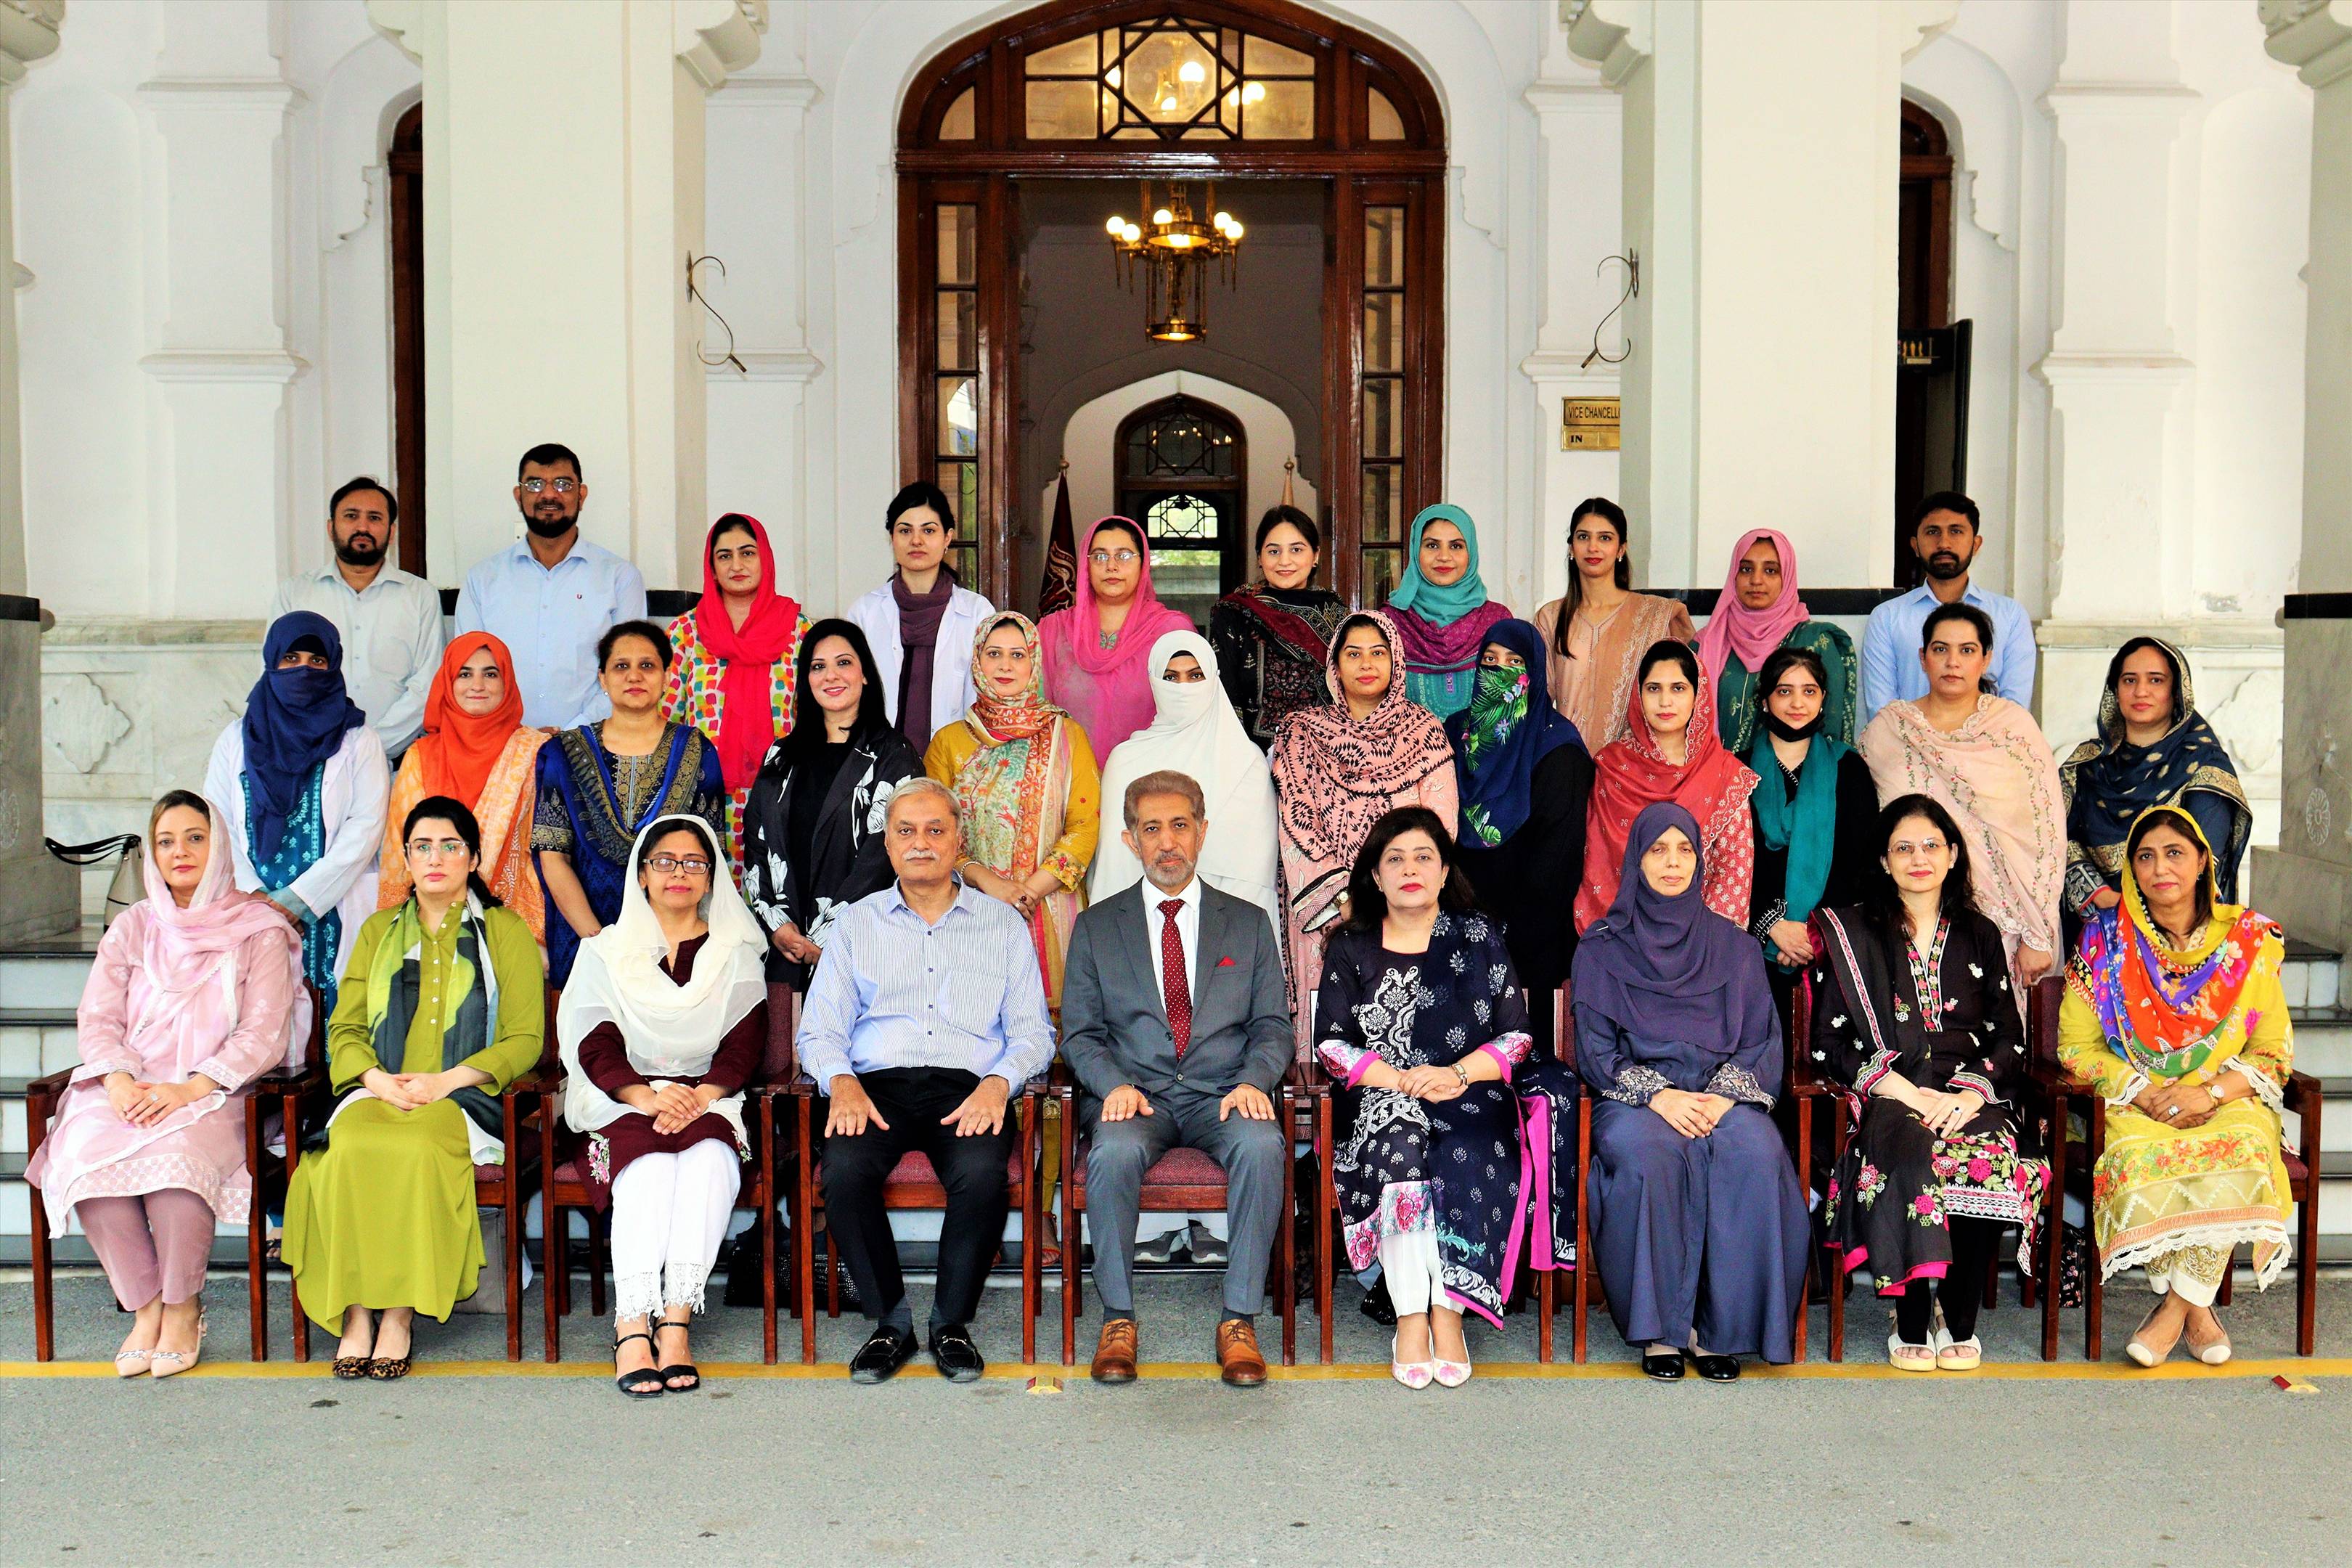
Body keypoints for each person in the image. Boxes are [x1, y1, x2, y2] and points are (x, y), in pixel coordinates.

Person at [25, 791, 302, 1379]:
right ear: (151, 852)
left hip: (218, 1091)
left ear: (219, 845)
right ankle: (146, 1306)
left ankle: (183, 1308)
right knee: (84, 1151)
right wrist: (120, 1081)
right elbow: (98, 1017)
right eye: (166, 841)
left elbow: (265, 1032)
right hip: (129, 1082)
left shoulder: (259, 929)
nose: (181, 852)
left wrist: (191, 1088)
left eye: (195, 838)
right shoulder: (134, 926)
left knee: (176, 1160)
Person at [799, 778, 1056, 1385]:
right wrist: (842, 1081)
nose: (921, 843)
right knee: (844, 1172)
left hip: (969, 1087)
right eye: (906, 832)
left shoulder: (1002, 926)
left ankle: (949, 1324)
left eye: (935, 830)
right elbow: (819, 1032)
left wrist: (1000, 1084)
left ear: (958, 840)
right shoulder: (856, 925)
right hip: (875, 1087)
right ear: (887, 845)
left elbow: (1033, 1032)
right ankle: (891, 1323)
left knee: (982, 1173)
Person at [281, 797, 546, 1378]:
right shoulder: (378, 932)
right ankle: (356, 1315)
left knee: (417, 1148)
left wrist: (446, 1081)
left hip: (464, 1098)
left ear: (474, 857)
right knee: (346, 1148)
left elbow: (526, 1038)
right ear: (405, 857)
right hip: (375, 1091)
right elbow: (345, 1029)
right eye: (422, 847)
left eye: (451, 846)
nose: (436, 858)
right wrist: (376, 1080)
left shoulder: (506, 932)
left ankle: (397, 1315)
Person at [1313, 807, 1578, 1388]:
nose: (1411, 869)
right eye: (1395, 859)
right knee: (1406, 1139)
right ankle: (1411, 1315)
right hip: (1382, 1096)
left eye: (1423, 857)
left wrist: (1456, 1075)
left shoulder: (1478, 937)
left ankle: (1448, 1312)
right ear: (1376, 877)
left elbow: (1516, 1034)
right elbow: (1330, 1044)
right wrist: (1398, 1078)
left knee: (1464, 1138)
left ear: (1443, 870)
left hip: (1468, 1092)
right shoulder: (1351, 946)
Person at [1059, 770, 1293, 1387]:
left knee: (1263, 1143)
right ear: (1130, 839)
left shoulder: (1246, 923)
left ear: (1203, 831)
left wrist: (1255, 1080)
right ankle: (1118, 1318)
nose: (1168, 842)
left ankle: (1238, 1318)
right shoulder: (1097, 926)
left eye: (1181, 826)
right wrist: (1112, 1085)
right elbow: (1080, 1034)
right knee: (1111, 1153)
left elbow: (1273, 1025)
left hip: (1225, 1094)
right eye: (1152, 828)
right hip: (1135, 1097)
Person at [1810, 795, 2050, 1371]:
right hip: (1892, 1089)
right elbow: (1829, 1043)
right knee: (1910, 1151)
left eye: (1930, 847)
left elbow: (2007, 1036)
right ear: (1885, 862)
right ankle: (1911, 1315)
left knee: (1984, 1153)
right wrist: (1899, 1090)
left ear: (1952, 856)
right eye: (1904, 848)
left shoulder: (1981, 933)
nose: (1918, 858)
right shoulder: (1854, 934)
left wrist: (1969, 1095)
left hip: (1971, 1091)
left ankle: (1958, 1318)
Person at [1573, 803, 1809, 1379]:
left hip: (1723, 1096)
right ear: (1636, 860)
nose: (1673, 862)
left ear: (1701, 860)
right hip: (1635, 1099)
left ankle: (1720, 1331)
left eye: (1684, 850)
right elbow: (1596, 1051)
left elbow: (1760, 1040)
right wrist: (1660, 1096)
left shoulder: (1736, 948)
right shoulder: (1601, 949)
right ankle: (1660, 1332)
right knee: (1651, 1154)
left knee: (1754, 1151)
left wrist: (1724, 1097)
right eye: (1658, 850)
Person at [2058, 805, 2295, 1368]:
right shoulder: (2103, 942)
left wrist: (2208, 1094)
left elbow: (2272, 1051)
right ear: (2131, 872)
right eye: (2145, 856)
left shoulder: (2249, 940)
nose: (2160, 867)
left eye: (2174, 853)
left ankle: (2173, 1311)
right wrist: (2142, 1090)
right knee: (2141, 1154)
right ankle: (2200, 1315)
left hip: (2225, 1094)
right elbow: (2076, 1046)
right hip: (2134, 1098)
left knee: (2239, 1150)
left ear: (2201, 864)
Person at [558, 816, 769, 1398]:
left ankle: (675, 1324)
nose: (680, 873)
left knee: (706, 1165)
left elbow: (744, 1041)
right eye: (666, 862)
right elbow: (593, 1038)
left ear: (711, 878)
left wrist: (700, 1097)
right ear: (643, 874)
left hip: (709, 1097)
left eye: (694, 863)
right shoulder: (606, 950)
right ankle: (632, 1323)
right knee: (649, 1171)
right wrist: (644, 1096)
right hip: (619, 1098)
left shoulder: (736, 951)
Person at [1267, 612, 1457, 1048]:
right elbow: (1296, 828)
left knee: (1408, 1032)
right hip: (1329, 917)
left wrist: (1397, 900)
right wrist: (1347, 902)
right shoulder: (1301, 734)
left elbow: (1440, 828)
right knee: (1331, 1037)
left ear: (1396, 662)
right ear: (1335, 665)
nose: (1366, 664)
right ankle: (1322, 1116)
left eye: (1378, 653)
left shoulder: (1424, 731)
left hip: (1408, 911)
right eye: (1353, 654)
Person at [1859, 603, 2064, 986]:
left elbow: (2046, 838)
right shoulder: (1889, 730)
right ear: (1923, 658)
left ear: (1986, 659)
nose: (1953, 661)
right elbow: (1866, 830)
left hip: (2003, 927)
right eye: (1940, 649)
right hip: (1908, 923)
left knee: (1993, 1033)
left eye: (1967, 650)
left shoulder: (2014, 731)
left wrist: (2039, 932)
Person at [205, 611, 390, 1005]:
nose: (303, 671)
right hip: (250, 911)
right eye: (291, 659)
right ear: (271, 662)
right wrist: (256, 898)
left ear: (333, 665)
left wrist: (297, 900)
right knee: (258, 1018)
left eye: (316, 661)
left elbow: (365, 831)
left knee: (336, 1024)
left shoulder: (359, 740)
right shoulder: (235, 739)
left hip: (334, 906)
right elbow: (216, 824)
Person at [533, 621, 727, 985]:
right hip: (586, 944)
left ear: (667, 677)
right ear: (603, 679)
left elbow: (710, 858)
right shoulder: (561, 754)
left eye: (647, 666)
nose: (634, 676)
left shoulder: (697, 751)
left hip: (675, 948)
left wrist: (672, 943)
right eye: (621, 666)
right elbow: (553, 857)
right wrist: (601, 943)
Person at [925, 611, 1101, 1005]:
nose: (1006, 665)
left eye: (1018, 655)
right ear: (977, 661)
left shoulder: (1067, 735)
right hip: (969, 907)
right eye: (994, 653)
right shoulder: (950, 742)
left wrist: (1027, 893)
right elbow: (933, 834)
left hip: (1052, 909)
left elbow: (1085, 826)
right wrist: (992, 885)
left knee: (1056, 1045)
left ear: (1034, 663)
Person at [740, 619, 922, 992]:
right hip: (786, 953)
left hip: (864, 951)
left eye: (844, 663)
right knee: (785, 1051)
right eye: (818, 666)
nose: (831, 676)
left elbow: (885, 859)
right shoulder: (781, 755)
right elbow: (757, 845)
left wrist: (825, 935)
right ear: (806, 679)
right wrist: (777, 925)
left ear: (865, 674)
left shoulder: (894, 757)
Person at [1444, 618, 1591, 1054]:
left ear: (1536, 673)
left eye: (1514, 662)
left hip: (1531, 947)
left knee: (1527, 1070)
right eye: (1489, 660)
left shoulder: (1559, 750)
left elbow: (1555, 873)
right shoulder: (1455, 735)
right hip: (1456, 933)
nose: (1499, 671)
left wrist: (1499, 940)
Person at [1090, 631, 1282, 938]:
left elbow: (1254, 879)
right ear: (1153, 681)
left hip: (1226, 937)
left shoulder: (1247, 762)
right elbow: (1113, 872)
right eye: (1171, 677)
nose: (1183, 688)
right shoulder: (1125, 761)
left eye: (1195, 676)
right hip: (1141, 933)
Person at [454, 442, 650, 728]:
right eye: (534, 484)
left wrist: (571, 735)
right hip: (499, 745)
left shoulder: (620, 578)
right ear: (518, 496)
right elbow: (469, 675)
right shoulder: (482, 580)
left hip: (596, 744)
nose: (548, 494)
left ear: (581, 495)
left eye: (562, 484)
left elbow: (627, 674)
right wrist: (517, 738)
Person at [2059, 636, 2251, 920]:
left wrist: (2141, 913)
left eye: (2156, 680)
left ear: (2176, 692)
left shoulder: (2202, 764)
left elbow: (2205, 863)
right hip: (2097, 929)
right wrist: (2101, 896)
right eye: (2129, 680)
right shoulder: (2086, 765)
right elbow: (2056, 841)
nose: (2141, 692)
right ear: (2114, 691)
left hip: (2177, 931)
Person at [1575, 640, 1758, 935]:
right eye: (1653, 688)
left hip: (1702, 947)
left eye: (1678, 688)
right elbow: (1599, 866)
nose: (1665, 701)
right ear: (1638, 694)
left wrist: (1692, 945)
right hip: (1623, 939)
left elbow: (1731, 876)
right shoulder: (1612, 769)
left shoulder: (1726, 775)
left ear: (1699, 695)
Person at [377, 632, 549, 942]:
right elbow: (399, 851)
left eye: (491, 674)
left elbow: (544, 850)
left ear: (507, 681)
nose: (478, 685)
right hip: (429, 927)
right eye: (465, 674)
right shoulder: (421, 755)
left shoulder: (537, 751)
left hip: (514, 928)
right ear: (448, 682)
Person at [661, 514, 808, 868]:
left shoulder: (798, 632)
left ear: (766, 560)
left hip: (782, 794)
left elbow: (813, 717)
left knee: (775, 900)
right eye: (724, 556)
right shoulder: (685, 633)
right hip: (702, 795)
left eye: (747, 553)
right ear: (711, 568)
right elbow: (665, 718)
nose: (737, 565)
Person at [268, 477, 444, 760]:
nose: (363, 527)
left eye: (374, 518)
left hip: (398, 763)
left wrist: (371, 748)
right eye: (351, 516)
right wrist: (324, 749)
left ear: (392, 530)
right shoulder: (295, 594)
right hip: (313, 759)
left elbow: (428, 684)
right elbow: (278, 678)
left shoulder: (420, 596)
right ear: (331, 527)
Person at [1744, 645, 1879, 1004]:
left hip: (1833, 944)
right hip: (1749, 945)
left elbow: (1859, 863)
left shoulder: (1849, 769)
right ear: (1764, 700)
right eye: (1784, 691)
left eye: (1809, 691)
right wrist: (1772, 925)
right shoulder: (1734, 771)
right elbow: (1731, 864)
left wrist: (1812, 932)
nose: (1797, 703)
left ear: (1823, 700)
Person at [1530, 497, 1696, 749]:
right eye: (1583, 537)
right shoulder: (1551, 617)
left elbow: (1678, 696)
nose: (1593, 547)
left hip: (1635, 769)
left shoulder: (1657, 615)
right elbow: (1538, 701)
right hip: (1566, 763)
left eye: (1605, 538)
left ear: (1621, 549)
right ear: (1571, 548)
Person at [1858, 491, 2035, 724]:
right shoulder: (1887, 617)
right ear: (1915, 545)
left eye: (1956, 531)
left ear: (1976, 544)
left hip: (1987, 754)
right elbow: (1882, 713)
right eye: (1932, 532)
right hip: (1908, 754)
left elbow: (2015, 712)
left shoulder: (2010, 616)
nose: (1944, 543)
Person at [847, 481, 995, 754]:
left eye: (929, 530)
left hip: (958, 761)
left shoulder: (977, 613)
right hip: (877, 760)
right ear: (891, 537)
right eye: (905, 531)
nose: (917, 541)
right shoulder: (864, 613)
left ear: (948, 538)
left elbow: (986, 699)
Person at [1038, 516, 1195, 757]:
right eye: (1100, 556)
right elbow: (1034, 714)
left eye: (1124, 555)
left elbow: (1192, 716)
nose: (1111, 566)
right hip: (1071, 782)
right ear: (1086, 565)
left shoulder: (1172, 631)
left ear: (1143, 564)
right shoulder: (1052, 631)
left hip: (1150, 780)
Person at [1696, 528, 1858, 754]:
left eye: (1771, 570)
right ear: (1734, 575)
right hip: (1718, 781)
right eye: (1746, 569)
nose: (1756, 580)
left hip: (1799, 782)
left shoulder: (1816, 642)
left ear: (1788, 576)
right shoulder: (1706, 645)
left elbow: (1831, 730)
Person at [1208, 504, 1348, 748]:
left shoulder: (1337, 614)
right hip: (1253, 760)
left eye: (1296, 550)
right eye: (1273, 551)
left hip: (1328, 756)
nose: (1285, 561)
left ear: (1315, 555)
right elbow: (1223, 696)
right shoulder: (1234, 613)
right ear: (1260, 557)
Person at [1382, 503, 1513, 719]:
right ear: (1416, 551)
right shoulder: (1389, 623)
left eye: (1456, 546)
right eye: (1432, 546)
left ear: (1471, 552)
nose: (1444, 556)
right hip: (1408, 751)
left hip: (1485, 751)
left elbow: (1515, 704)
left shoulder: (1497, 621)